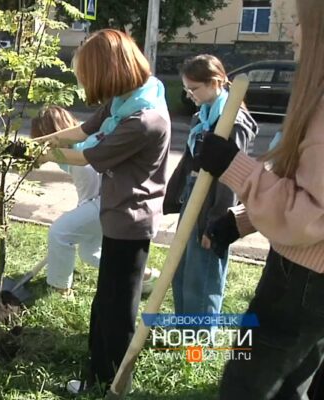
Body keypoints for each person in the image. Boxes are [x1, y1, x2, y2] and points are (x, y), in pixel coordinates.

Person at [29, 29, 171, 394]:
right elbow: (81, 130)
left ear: (109, 70)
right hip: (115, 213)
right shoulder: (125, 99)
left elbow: (87, 155)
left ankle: (112, 382)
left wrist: (43, 155)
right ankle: (98, 372)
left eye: (87, 76)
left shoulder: (142, 118)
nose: (86, 84)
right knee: (104, 302)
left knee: (117, 309)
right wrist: (36, 143)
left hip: (130, 219)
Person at [197, 1, 324, 398]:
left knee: (246, 387)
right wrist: (241, 219)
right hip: (311, 281)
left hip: (302, 281)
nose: (291, 32)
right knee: (289, 385)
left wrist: (236, 168)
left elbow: (309, 216)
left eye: (298, 22)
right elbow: (307, 186)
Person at [28, 106, 161, 297]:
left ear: (51, 133)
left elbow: (91, 191)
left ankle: (60, 290)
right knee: (90, 254)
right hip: (105, 200)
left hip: (109, 201)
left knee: (60, 233)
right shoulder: (77, 139)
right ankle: (149, 278)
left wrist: (79, 214)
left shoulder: (80, 148)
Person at [163, 54, 258, 321]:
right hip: (192, 197)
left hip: (213, 203)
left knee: (202, 273)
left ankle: (198, 340)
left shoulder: (233, 121)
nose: (190, 95)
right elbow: (190, 162)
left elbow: (231, 178)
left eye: (194, 89)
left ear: (216, 82)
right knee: (182, 268)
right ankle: (184, 328)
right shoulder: (203, 116)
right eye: (187, 89)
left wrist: (216, 222)